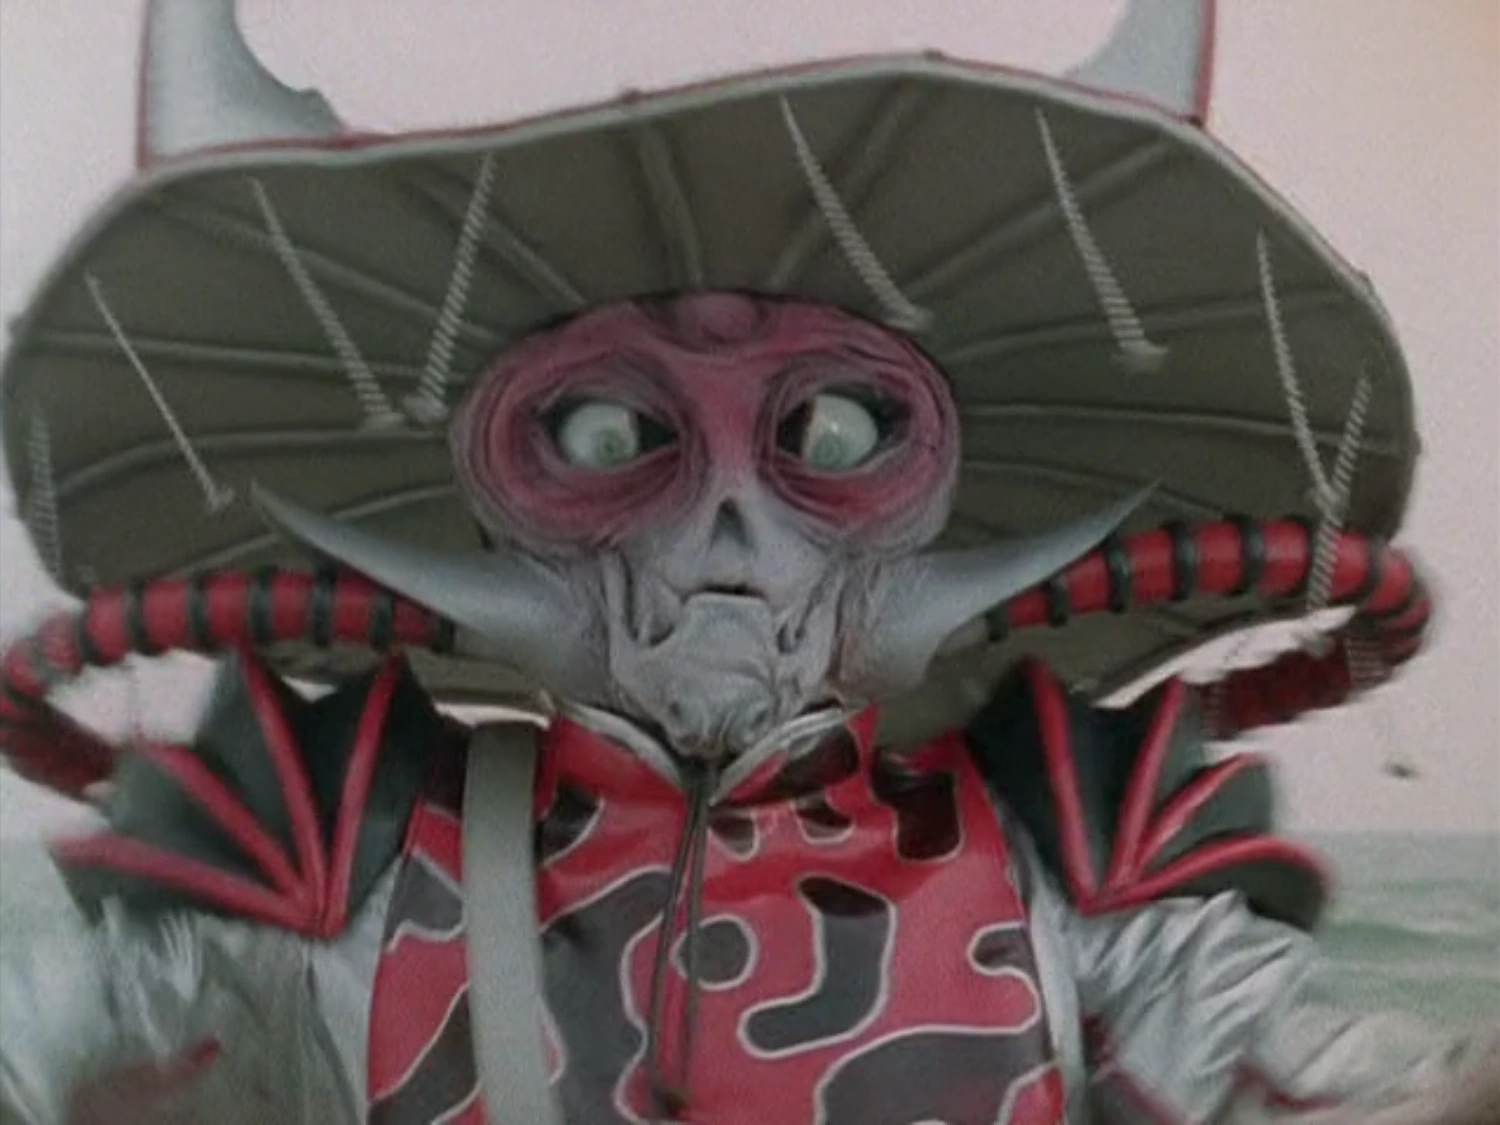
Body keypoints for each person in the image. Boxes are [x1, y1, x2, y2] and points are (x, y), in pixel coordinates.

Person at [2, 3, 1496, 1122]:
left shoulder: (1073, 858)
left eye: (835, 433)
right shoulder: (335, 859)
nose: (728, 521)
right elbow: (73, 1043)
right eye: (604, 434)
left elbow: (1336, 1085)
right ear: (492, 503)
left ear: (940, 496)